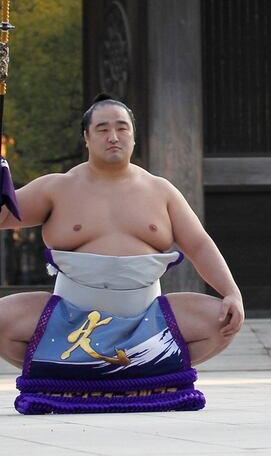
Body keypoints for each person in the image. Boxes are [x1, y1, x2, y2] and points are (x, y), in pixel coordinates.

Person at [0, 96, 244, 414]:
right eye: (102, 129)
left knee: (221, 320)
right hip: (69, 320)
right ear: (86, 137)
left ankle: (134, 374)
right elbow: (4, 218)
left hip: (146, 321)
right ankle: (67, 373)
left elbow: (198, 244)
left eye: (121, 128)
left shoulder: (161, 191)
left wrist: (232, 292)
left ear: (133, 135)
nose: (113, 137)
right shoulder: (56, 188)